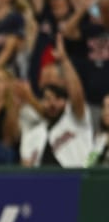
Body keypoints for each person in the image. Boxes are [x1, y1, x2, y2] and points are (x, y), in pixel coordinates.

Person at [21, 34, 93, 167]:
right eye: (47, 99)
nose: (52, 103)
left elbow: (77, 94)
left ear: (66, 100)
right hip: (44, 185)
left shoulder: (75, 118)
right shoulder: (33, 134)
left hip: (76, 183)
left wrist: (64, 60)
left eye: (58, 98)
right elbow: (26, 170)